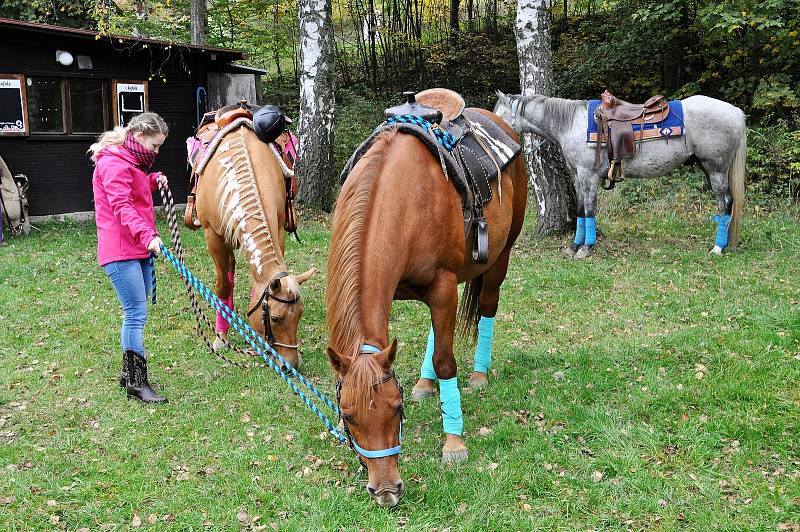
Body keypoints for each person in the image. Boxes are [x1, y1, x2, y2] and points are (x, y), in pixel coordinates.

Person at [89, 113, 170, 404]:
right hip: (121, 250)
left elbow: (132, 189)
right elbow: (122, 206)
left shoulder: (130, 162)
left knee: (137, 310)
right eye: (155, 145)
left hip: (137, 248)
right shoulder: (112, 163)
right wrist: (148, 236)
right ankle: (137, 383)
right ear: (138, 137)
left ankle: (128, 373)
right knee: (135, 313)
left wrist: (150, 180)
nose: (156, 152)